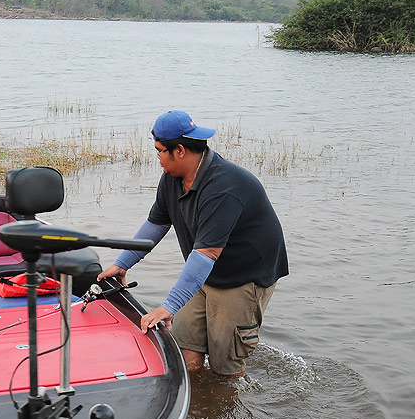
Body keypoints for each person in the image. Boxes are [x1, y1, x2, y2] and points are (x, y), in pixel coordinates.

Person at [97, 110, 288, 377]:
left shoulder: (223, 187)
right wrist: (122, 263)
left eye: (160, 151)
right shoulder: (172, 179)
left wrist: (168, 306)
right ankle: (199, 413)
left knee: (226, 368)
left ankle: (227, 408)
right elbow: (157, 224)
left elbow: (207, 253)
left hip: (242, 277)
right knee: (185, 353)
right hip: (202, 273)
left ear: (181, 151)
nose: (158, 158)